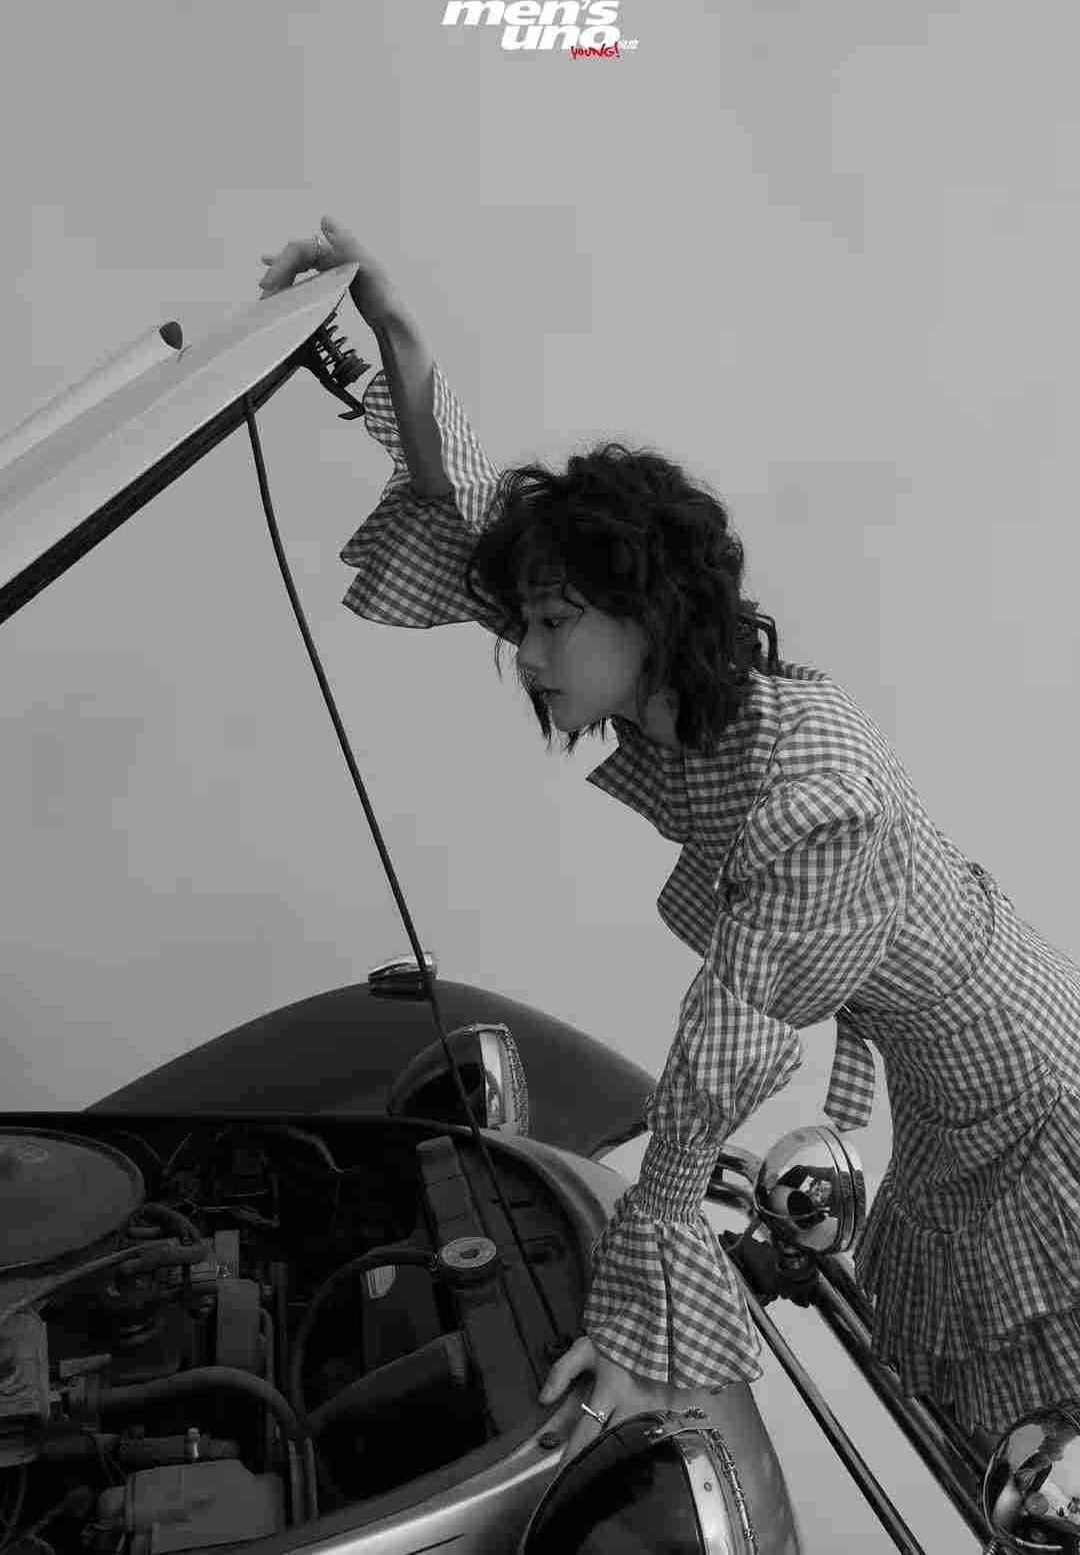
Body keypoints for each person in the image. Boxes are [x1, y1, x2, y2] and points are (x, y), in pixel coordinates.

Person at [259, 218, 1080, 1465]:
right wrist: (398, 345)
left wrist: (640, 1321)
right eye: (529, 620)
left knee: (1040, 1455)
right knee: (999, 1443)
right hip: (951, 1103)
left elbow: (717, 1054)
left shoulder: (813, 791)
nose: (528, 653)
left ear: (642, 615)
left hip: (1032, 1101)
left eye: (552, 623)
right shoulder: (676, 700)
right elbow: (472, 523)